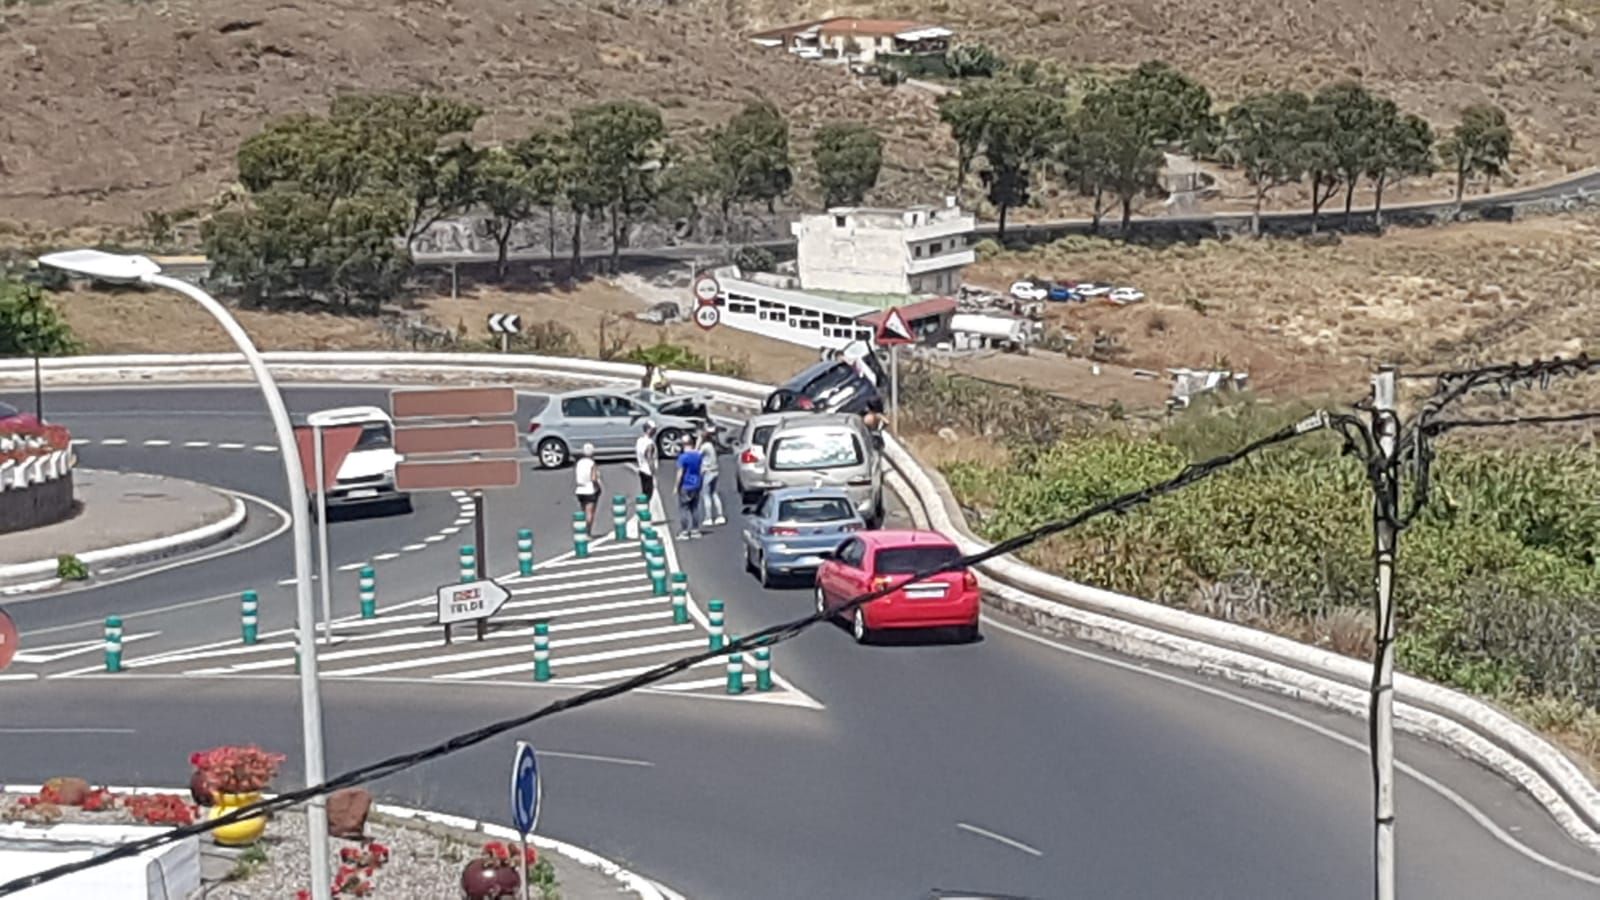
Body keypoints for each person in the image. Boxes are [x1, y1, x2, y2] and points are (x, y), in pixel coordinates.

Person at [674, 433, 704, 539]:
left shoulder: (683, 458)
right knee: (694, 508)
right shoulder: (698, 456)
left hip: (686, 485)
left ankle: (685, 531)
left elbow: (680, 473)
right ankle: (695, 529)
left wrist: (676, 486)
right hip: (696, 483)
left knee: (684, 508)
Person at [574, 443, 602, 537]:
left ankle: (581, 531)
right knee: (589, 512)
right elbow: (593, 478)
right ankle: (587, 532)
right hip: (590, 490)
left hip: (579, 489)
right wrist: (598, 486)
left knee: (583, 511)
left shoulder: (579, 462)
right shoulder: (591, 463)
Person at [699, 426, 725, 526]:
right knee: (714, 493)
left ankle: (708, 517)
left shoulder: (705, 446)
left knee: (706, 495)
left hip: (707, 472)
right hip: (715, 471)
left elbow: (697, 455)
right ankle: (720, 515)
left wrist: (699, 442)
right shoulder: (713, 445)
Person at [635, 421, 659, 500]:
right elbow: (649, 458)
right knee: (649, 494)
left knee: (644, 492)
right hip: (648, 471)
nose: (655, 431)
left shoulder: (639, 440)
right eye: (653, 429)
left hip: (641, 469)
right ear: (648, 430)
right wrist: (653, 473)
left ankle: (644, 507)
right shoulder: (649, 444)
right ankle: (646, 510)